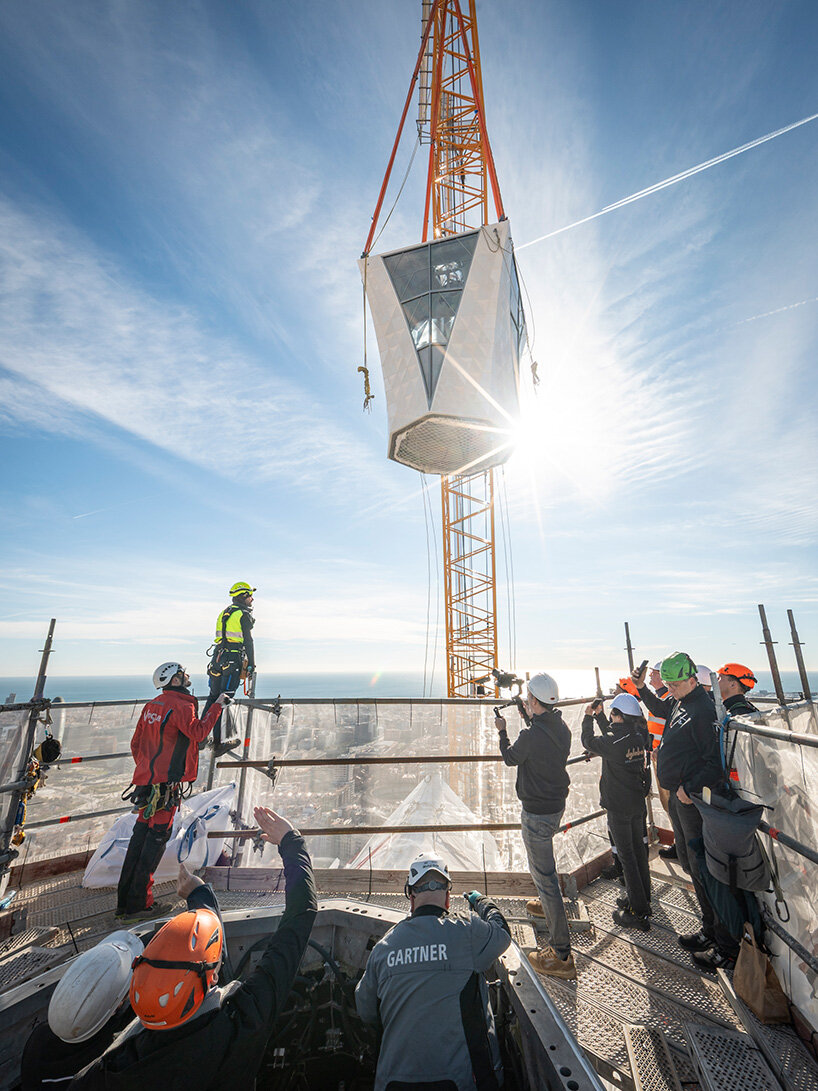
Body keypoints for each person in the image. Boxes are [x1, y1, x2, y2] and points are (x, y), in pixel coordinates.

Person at [71, 807, 316, 1090]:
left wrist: (201, 899)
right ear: (211, 978)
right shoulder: (242, 1022)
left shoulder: (105, 1068)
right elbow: (301, 915)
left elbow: (206, 979)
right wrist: (291, 841)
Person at [23, 864, 224, 1089]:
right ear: (118, 1008)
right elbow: (206, 978)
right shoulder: (119, 1054)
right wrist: (201, 898)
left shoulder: (38, 1044)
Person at [355, 855, 512, 1091]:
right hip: (463, 1082)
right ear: (448, 899)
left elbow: (366, 1010)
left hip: (392, 1083)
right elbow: (502, 933)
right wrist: (481, 902)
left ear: (411, 898)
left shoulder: (384, 948)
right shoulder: (467, 932)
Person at [115, 662, 227, 922]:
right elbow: (198, 733)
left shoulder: (152, 705)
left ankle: (125, 904)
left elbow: (136, 744)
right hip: (165, 789)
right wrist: (218, 705)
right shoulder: (182, 704)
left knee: (139, 839)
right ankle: (139, 906)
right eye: (183, 673)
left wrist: (149, 771)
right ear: (175, 680)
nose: (187, 676)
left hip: (147, 786)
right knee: (154, 843)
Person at [632, 652, 724, 957]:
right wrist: (642, 688)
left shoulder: (703, 709)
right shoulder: (681, 701)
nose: (669, 689)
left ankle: (717, 935)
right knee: (690, 862)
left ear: (692, 678)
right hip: (680, 798)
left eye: (674, 684)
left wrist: (690, 787)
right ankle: (709, 926)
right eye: (667, 684)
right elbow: (659, 707)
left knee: (702, 867)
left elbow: (715, 761)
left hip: (691, 799)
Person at [494, 672, 575, 979]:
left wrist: (503, 731)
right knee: (546, 871)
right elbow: (541, 740)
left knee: (544, 876)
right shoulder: (561, 727)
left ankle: (561, 955)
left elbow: (510, 757)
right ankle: (547, 904)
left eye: (529, 699)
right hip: (554, 806)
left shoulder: (530, 736)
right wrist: (528, 719)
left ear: (534, 702)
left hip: (536, 812)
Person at [581, 693, 652, 930]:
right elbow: (611, 736)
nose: (610, 718)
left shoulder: (612, 743)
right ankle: (640, 897)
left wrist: (588, 717)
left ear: (619, 716)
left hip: (618, 807)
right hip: (636, 803)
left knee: (627, 856)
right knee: (639, 853)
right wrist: (602, 716)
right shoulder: (638, 735)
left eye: (613, 714)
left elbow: (588, 740)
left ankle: (638, 912)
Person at [203, 581, 257, 756]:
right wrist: (251, 664)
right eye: (250, 595)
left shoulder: (224, 613)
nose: (252, 599)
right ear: (243, 596)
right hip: (232, 660)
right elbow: (248, 641)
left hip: (218, 658)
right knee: (224, 700)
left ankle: (200, 738)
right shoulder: (243, 615)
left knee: (213, 698)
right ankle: (219, 743)